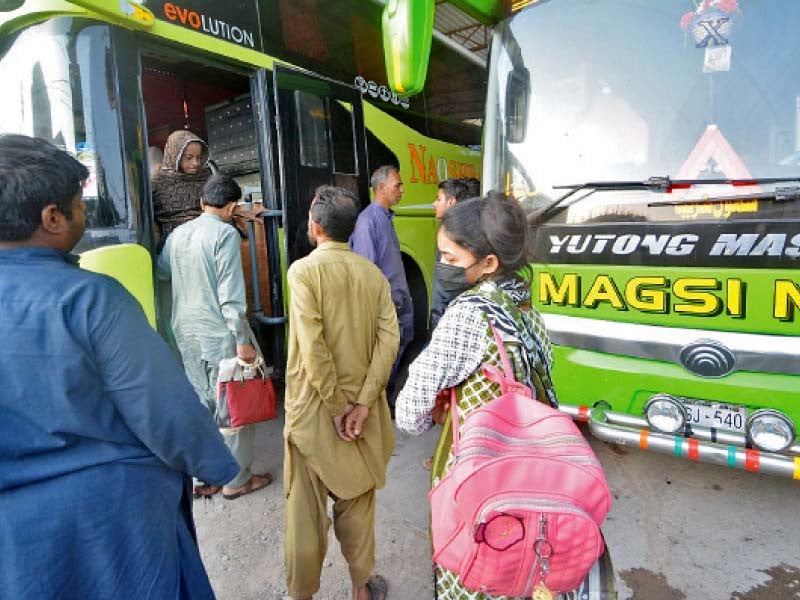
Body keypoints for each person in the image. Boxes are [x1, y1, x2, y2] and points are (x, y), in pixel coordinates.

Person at [0, 134, 239, 598]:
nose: (85, 215)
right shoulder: (89, 298)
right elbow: (164, 408)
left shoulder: (179, 237)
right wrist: (214, 464)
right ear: (52, 217)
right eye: (79, 204)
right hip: (113, 523)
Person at [395, 193, 559, 600]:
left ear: (488, 262)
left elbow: (410, 410)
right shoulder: (525, 306)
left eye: (451, 259)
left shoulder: (470, 313)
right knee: (514, 562)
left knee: (473, 565)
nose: (443, 267)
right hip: (525, 472)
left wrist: (432, 412)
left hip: (479, 476)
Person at [284, 186, 399, 600]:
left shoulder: (303, 272)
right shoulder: (373, 275)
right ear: (351, 230)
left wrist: (336, 406)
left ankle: (302, 594)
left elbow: (312, 347)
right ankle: (360, 589)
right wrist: (363, 405)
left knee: (305, 515)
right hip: (363, 418)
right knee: (359, 507)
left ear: (315, 228)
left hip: (315, 411)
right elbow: (390, 341)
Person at [158, 173, 272, 500]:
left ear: (201, 202)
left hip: (184, 332)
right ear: (232, 206)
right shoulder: (225, 235)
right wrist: (243, 339)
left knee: (200, 406)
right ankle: (236, 481)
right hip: (219, 334)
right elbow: (230, 296)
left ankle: (203, 477)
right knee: (232, 409)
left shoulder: (178, 234)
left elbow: (163, 272)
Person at [350, 165, 413, 393]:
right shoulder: (368, 222)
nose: (402, 190)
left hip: (398, 299)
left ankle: (384, 396)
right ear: (381, 188)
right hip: (387, 304)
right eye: (397, 186)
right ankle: (379, 399)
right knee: (386, 353)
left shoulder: (385, 217)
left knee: (400, 344)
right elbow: (365, 270)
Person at [152, 129, 212, 246]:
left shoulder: (206, 176)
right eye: (189, 157)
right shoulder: (158, 179)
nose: (195, 163)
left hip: (205, 235)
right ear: (174, 155)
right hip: (172, 241)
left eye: (199, 157)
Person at [429, 178, 470, 331]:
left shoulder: (452, 232)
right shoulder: (460, 227)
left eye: (439, 199)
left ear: (451, 201)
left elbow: (445, 289)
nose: (434, 204)